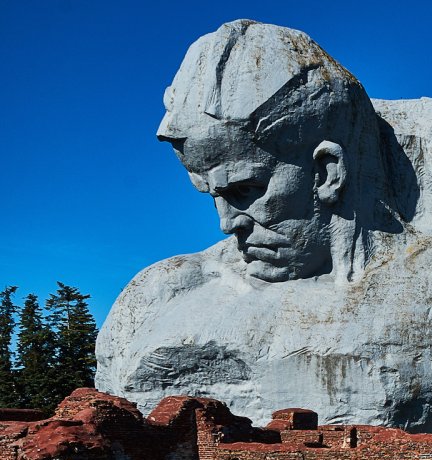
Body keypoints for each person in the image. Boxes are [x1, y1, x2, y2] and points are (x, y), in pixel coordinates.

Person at [155, 19, 409, 283]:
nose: (227, 224)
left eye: (244, 190)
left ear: (328, 173)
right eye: (212, 196)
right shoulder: (170, 288)